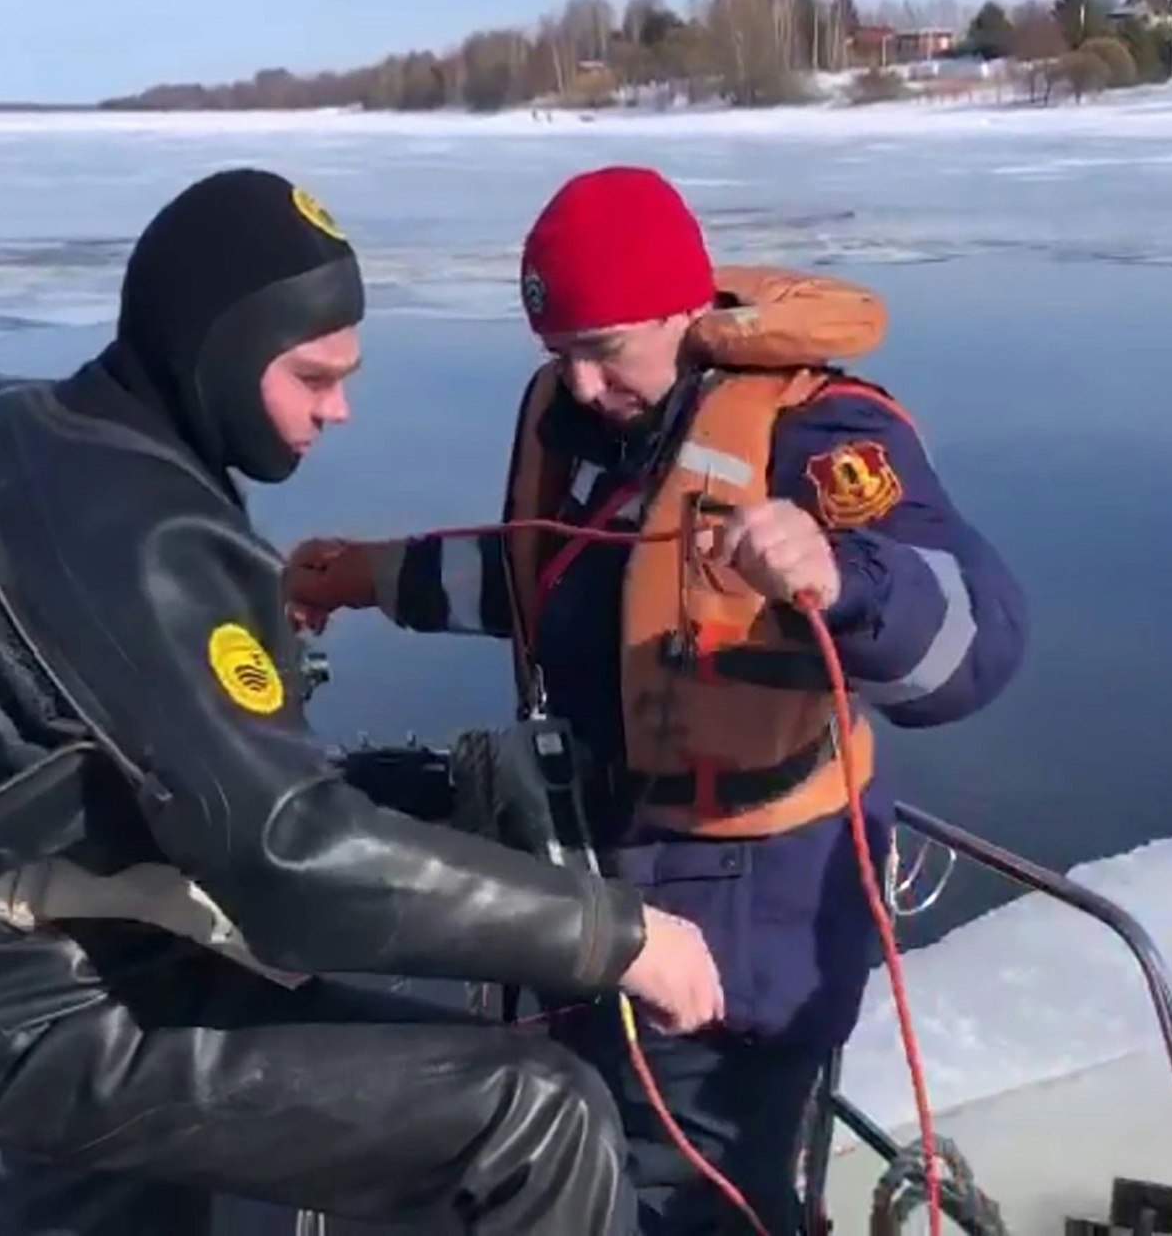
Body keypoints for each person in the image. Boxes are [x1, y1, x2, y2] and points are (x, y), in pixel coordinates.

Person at [0, 167, 729, 1236]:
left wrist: (399, 797)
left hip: (31, 956)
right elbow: (287, 861)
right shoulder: (138, 535)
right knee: (537, 1115)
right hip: (78, 1004)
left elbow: (154, 769)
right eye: (312, 374)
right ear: (221, 352)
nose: (338, 408)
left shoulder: (72, 445)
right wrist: (616, 935)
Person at [283, 166, 1029, 1235]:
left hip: (752, 899)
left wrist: (841, 576)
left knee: (695, 1188)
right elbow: (554, 581)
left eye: (603, 348)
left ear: (683, 308)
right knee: (586, 1148)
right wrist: (364, 575)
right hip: (602, 869)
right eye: (560, 353)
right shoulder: (583, 422)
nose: (581, 383)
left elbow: (975, 645)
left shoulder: (814, 433)